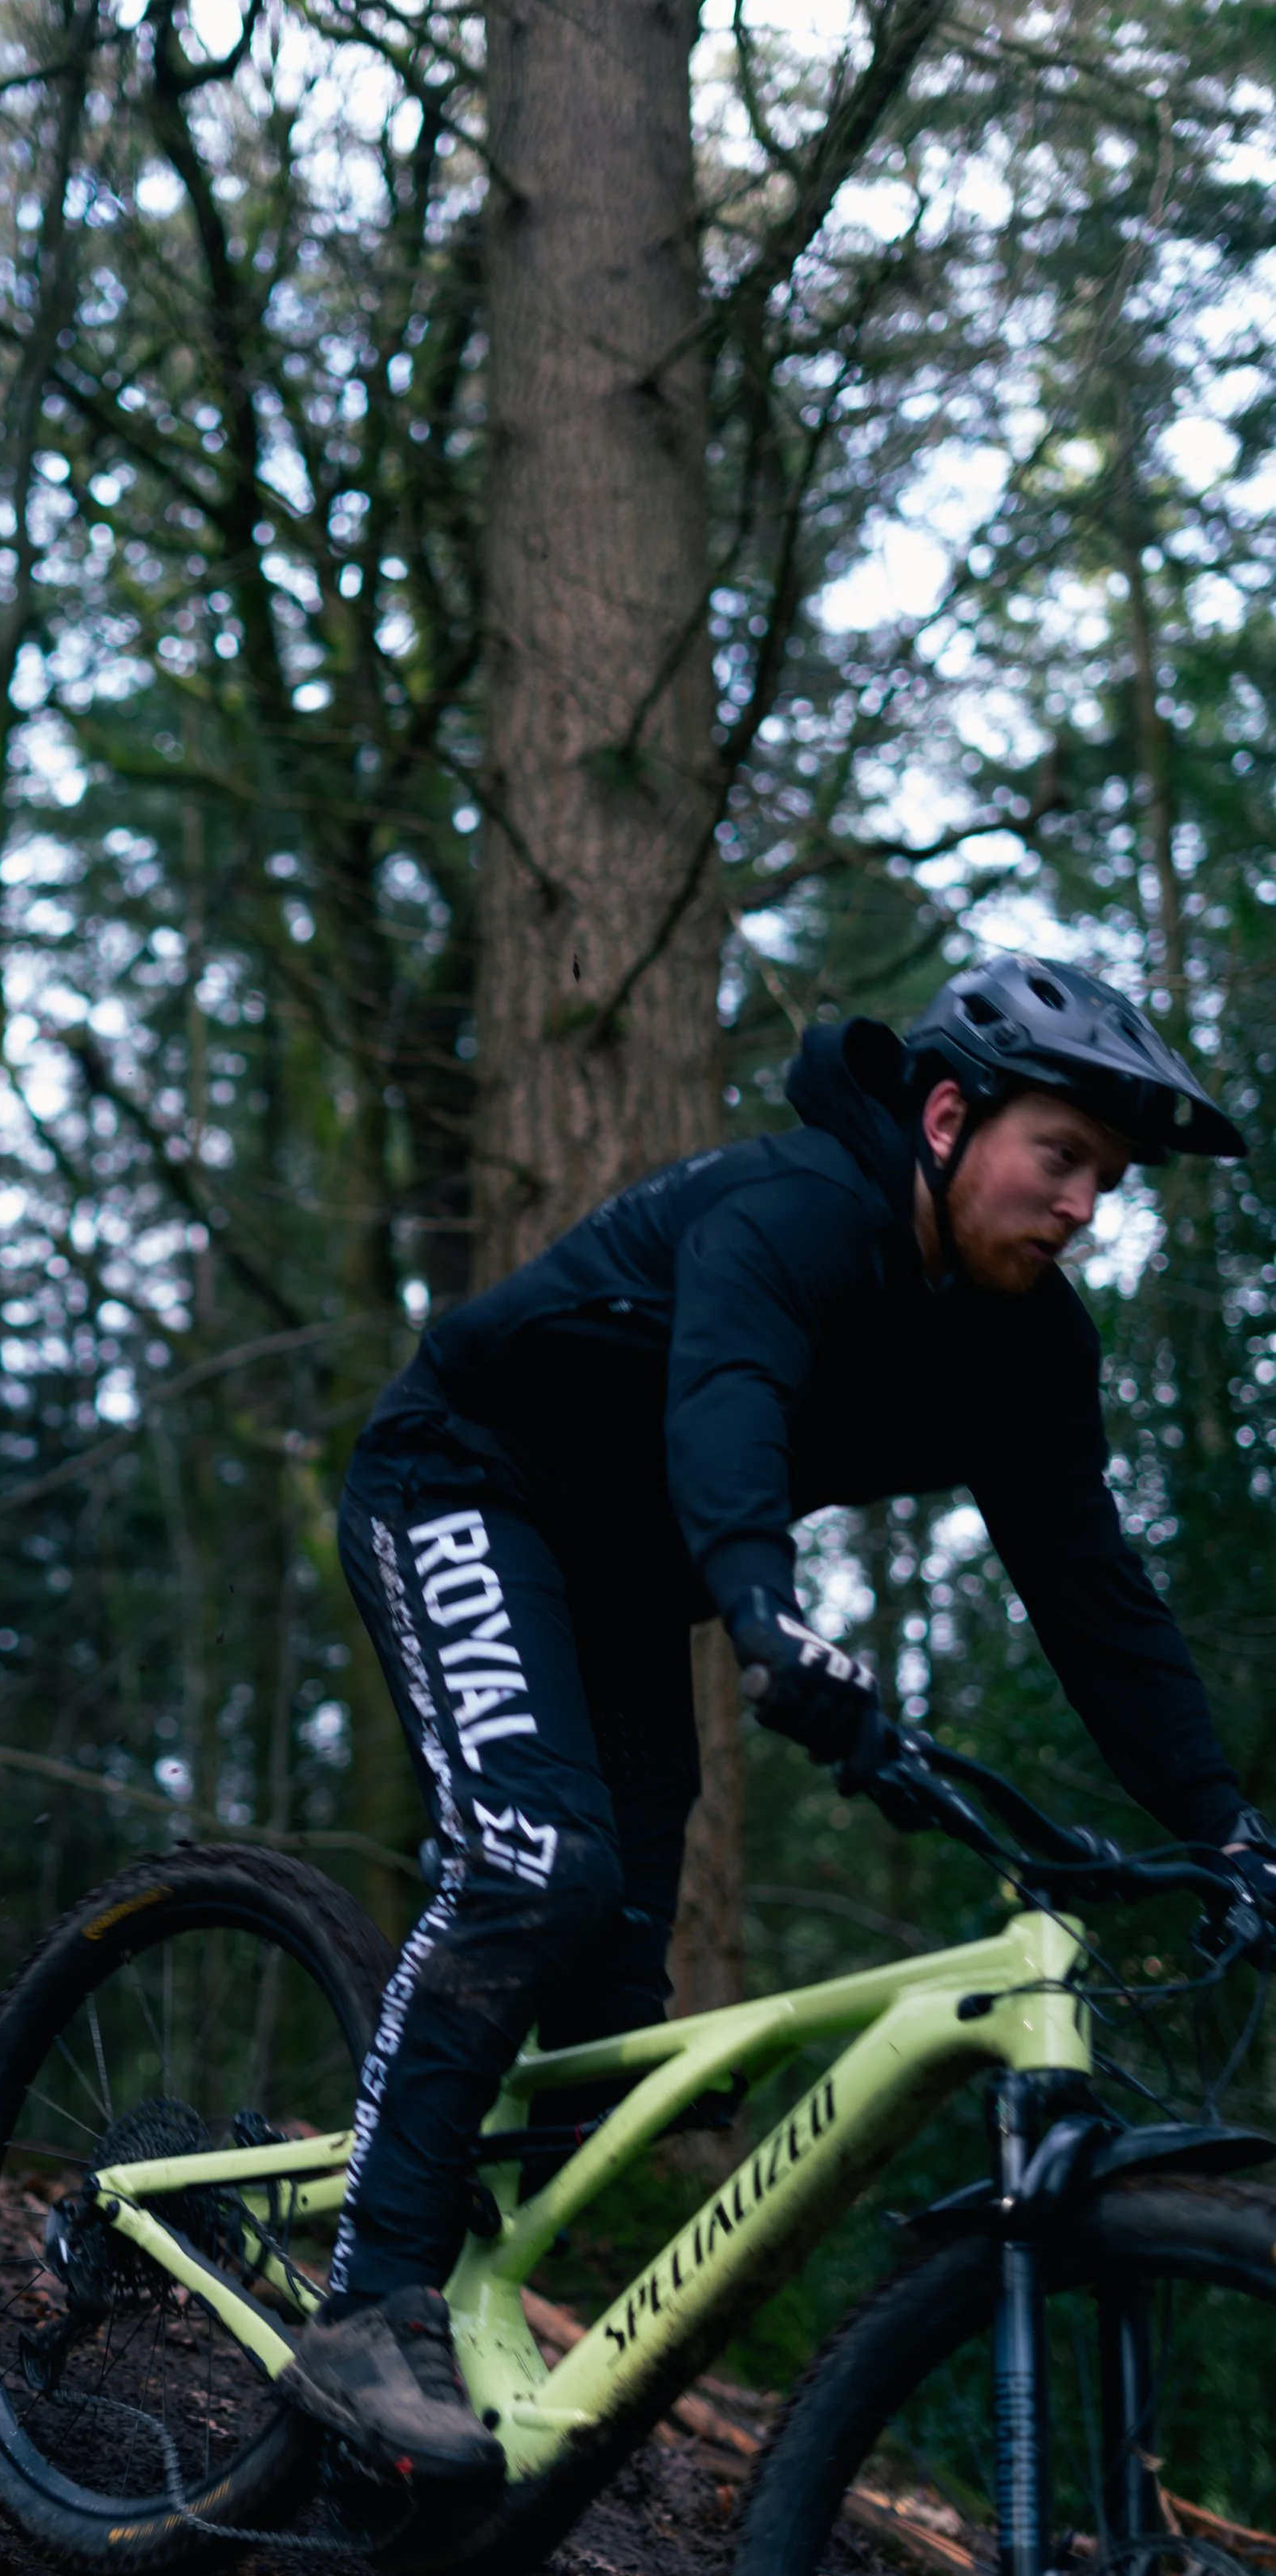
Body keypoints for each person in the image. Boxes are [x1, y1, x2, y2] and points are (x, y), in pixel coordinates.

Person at [274, 953, 1266, 2486]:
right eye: (1059, 1156)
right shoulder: (796, 1210)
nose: (1084, 1204)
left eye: (1108, 1179)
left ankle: (488, 2337)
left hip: (620, 1585)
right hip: (464, 1483)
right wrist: (767, 1613)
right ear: (947, 1114)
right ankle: (366, 2302)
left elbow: (1095, 1595)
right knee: (537, 1866)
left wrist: (1225, 1829)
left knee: (614, 2019)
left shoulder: (1031, 1348)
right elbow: (725, 1398)